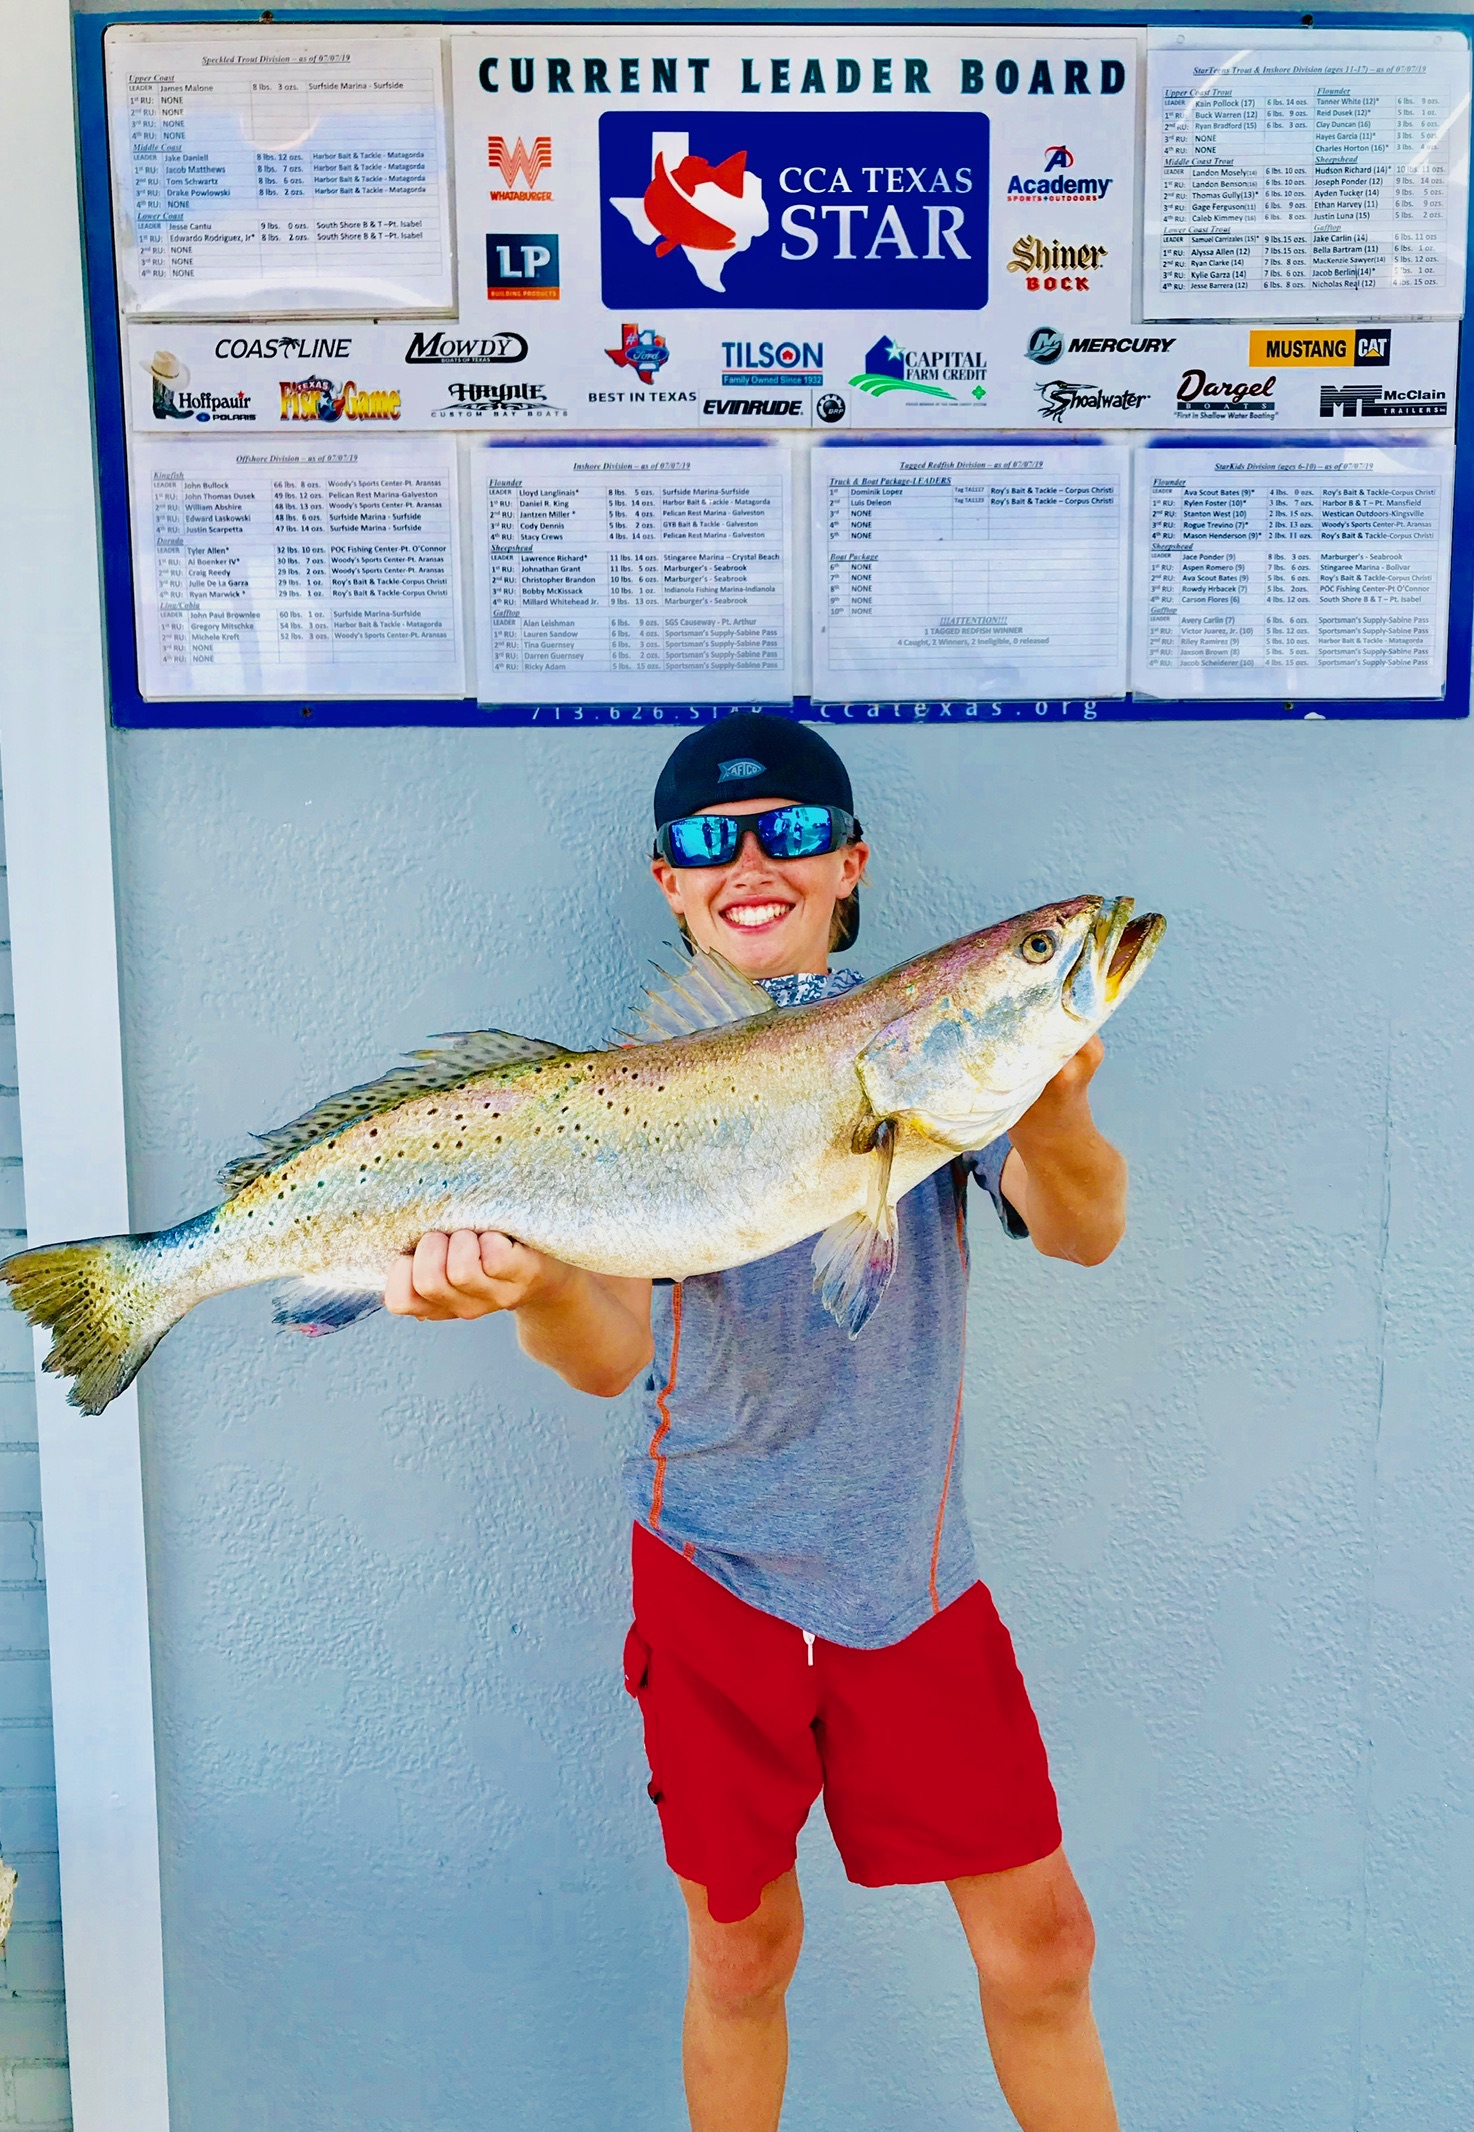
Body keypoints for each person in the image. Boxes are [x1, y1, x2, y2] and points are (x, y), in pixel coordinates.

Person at [385, 714, 1128, 2132]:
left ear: (848, 864)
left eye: (791, 833)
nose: (751, 860)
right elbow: (605, 1359)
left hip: (913, 1582)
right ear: (666, 882)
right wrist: (530, 1288)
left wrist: (1052, 1111)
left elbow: (1082, 1229)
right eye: (710, 840)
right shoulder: (606, 1100)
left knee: (1044, 1945)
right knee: (740, 1955)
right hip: (712, 1576)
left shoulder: (931, 1052)